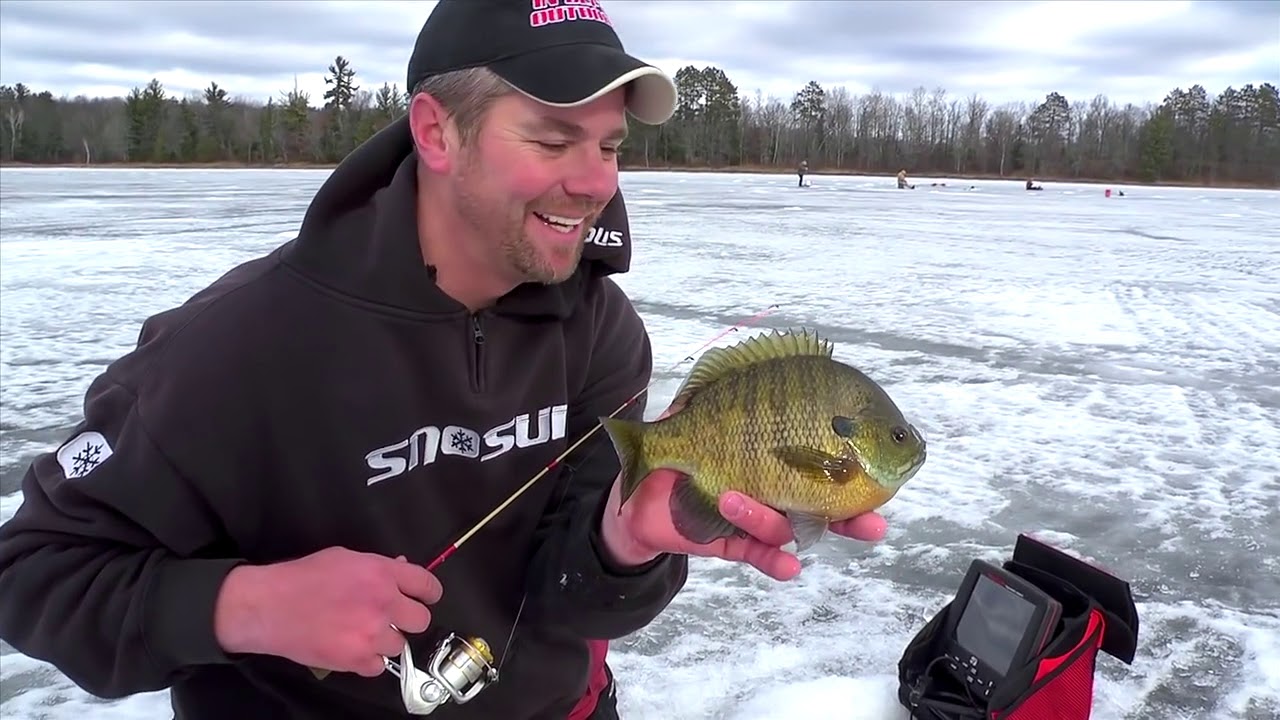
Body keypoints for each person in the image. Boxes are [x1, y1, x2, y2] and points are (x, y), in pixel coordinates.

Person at [0, 1, 889, 718]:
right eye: (551, 139)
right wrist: (249, 606)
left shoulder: (601, 332)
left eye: (610, 145)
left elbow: (568, 597)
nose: (595, 181)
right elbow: (36, 570)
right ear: (436, 131)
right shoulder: (240, 346)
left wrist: (623, 541)